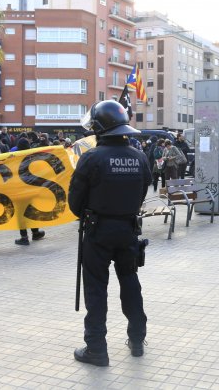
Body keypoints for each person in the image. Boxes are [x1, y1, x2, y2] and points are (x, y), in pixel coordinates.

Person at [68, 100, 151, 366]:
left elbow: (74, 204)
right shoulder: (139, 157)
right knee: (130, 283)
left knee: (96, 289)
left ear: (99, 128)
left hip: (98, 231)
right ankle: (137, 339)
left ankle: (96, 349)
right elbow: (143, 191)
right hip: (128, 230)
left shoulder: (91, 157)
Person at [14, 137, 46, 245]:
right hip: (31, 189)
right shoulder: (33, 157)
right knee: (31, 211)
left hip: (20, 190)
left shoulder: (15, 159)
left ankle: (24, 237)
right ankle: (35, 232)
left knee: (20, 214)